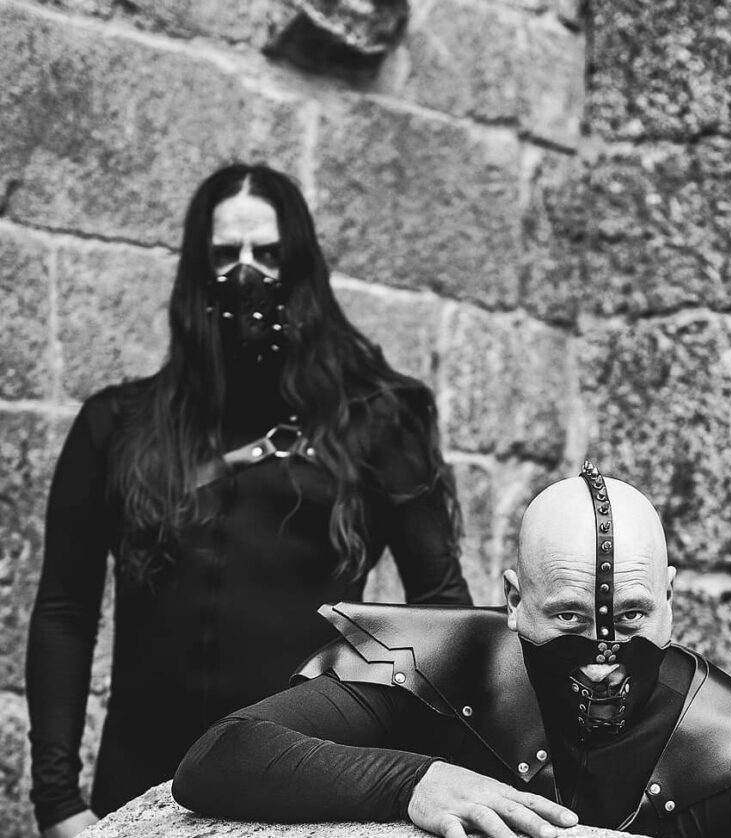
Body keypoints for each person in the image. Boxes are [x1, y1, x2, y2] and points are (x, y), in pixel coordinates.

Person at [26, 163, 473, 838]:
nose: (246, 273)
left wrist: (432, 775)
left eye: (267, 252)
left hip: (308, 789)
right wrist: (58, 801)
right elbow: (65, 610)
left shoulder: (380, 420)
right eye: (224, 254)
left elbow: (442, 612)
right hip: (136, 787)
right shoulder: (116, 425)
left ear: (300, 265)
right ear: (196, 269)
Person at [172, 462, 731, 837]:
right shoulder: (437, 666)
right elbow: (220, 756)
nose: (602, 661)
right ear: (513, 598)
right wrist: (414, 781)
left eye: (631, 616)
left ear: (670, 599)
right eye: (569, 617)